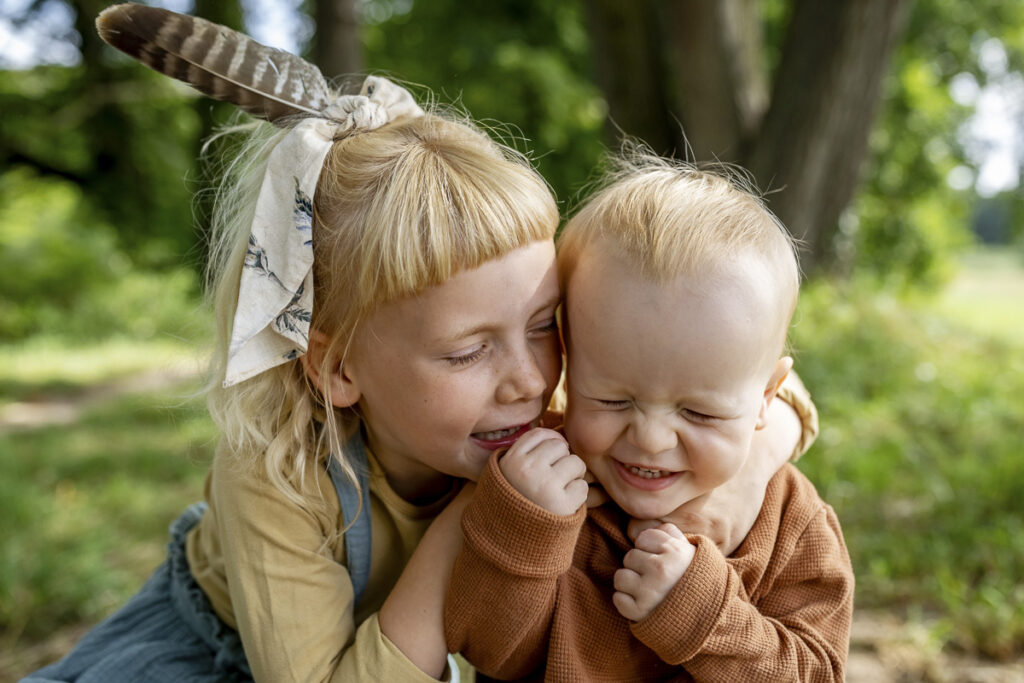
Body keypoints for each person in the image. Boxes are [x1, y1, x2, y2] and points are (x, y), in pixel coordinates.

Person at [24, 6, 817, 682]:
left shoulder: (564, 404)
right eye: (467, 349)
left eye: (546, 325)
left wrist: (739, 478)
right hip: (209, 654)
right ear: (337, 366)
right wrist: (470, 523)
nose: (529, 379)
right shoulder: (278, 476)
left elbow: (757, 397)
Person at [445, 152, 854, 681]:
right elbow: (484, 648)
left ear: (767, 398)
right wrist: (522, 531)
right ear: (569, 361)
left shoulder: (793, 525)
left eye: (700, 412)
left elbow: (818, 673)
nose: (652, 439)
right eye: (613, 400)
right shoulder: (538, 485)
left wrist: (704, 615)